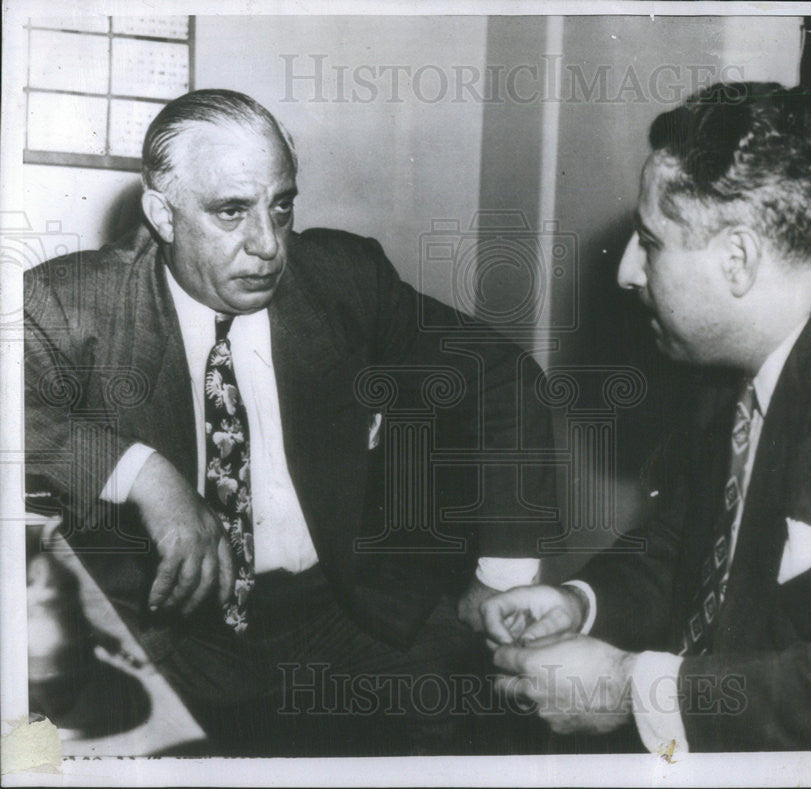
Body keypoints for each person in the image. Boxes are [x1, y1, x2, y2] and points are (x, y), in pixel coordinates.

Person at [24, 89, 556, 755]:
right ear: (162, 212)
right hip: (170, 632)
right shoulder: (73, 302)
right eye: (231, 212)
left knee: (476, 718)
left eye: (282, 205)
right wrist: (142, 474)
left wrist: (503, 573)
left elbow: (499, 375)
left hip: (341, 606)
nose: (269, 245)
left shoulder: (342, 277)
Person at [481, 82, 811, 752]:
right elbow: (689, 544)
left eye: (650, 241)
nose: (628, 269)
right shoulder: (735, 360)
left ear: (738, 258)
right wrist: (580, 601)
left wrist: (630, 688)